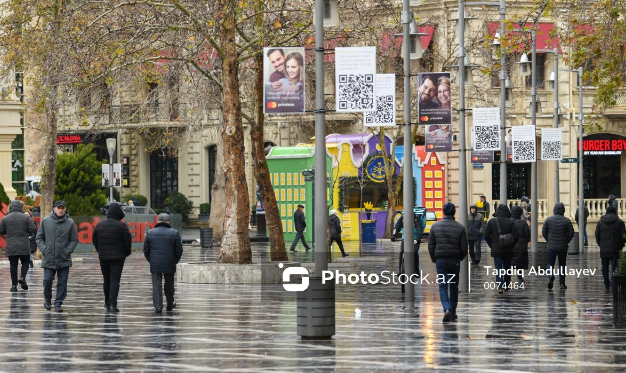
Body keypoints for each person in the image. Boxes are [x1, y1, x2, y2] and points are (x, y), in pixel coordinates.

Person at [428, 202, 468, 322]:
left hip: (441, 260)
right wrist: (460, 257)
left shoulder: (435, 227)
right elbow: (464, 248)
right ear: (454, 212)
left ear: (443, 211)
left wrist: (434, 258)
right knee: (454, 286)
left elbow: (431, 245)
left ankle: (447, 309)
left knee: (443, 286)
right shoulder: (460, 228)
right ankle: (453, 312)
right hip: (454, 260)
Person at [36, 200, 78, 312]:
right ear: (54, 208)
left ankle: (58, 303)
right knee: (47, 280)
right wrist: (45, 250)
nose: (60, 210)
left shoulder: (70, 222)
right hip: (49, 257)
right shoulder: (46, 221)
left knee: (62, 282)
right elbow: (39, 238)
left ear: (65, 209)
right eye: (58, 207)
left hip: (64, 258)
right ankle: (47, 299)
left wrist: (67, 251)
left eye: (62, 208)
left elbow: (74, 240)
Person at [93, 203, 132, 313]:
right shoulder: (122, 226)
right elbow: (127, 241)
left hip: (103, 257)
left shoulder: (99, 225)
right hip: (118, 257)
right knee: (115, 280)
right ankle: (113, 305)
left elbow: (95, 240)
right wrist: (126, 253)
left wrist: (100, 250)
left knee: (107, 280)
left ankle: (107, 302)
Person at [143, 213, 183, 313]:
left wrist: (151, 260)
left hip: (155, 263)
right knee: (169, 284)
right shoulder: (174, 233)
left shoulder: (150, 232)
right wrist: (174, 261)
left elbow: (146, 250)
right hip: (169, 262)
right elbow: (179, 250)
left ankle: (158, 307)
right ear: (168, 222)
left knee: (156, 285)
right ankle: (170, 303)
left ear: (158, 221)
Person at [0, 200, 37, 292]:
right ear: (21, 208)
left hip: (11, 245)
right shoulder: (26, 218)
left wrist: (8, 233)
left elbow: (1, 230)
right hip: (24, 244)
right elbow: (33, 228)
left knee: (13, 265)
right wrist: (26, 232)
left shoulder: (5, 218)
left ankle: (13, 286)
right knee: (25, 262)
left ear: (11, 207)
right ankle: (22, 277)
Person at [485, 204, 519, 293]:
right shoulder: (510, 222)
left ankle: (500, 285)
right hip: (508, 248)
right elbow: (516, 236)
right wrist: (512, 245)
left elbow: (486, 235)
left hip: (496, 248)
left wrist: (491, 245)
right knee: (507, 267)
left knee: (498, 267)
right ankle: (506, 284)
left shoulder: (492, 221)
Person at [542, 202, 575, 290]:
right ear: (563, 210)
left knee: (550, 263)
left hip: (551, 246)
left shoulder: (548, 220)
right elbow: (571, 233)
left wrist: (549, 240)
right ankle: (562, 284)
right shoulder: (567, 220)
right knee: (562, 265)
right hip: (563, 247)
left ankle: (550, 276)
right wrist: (566, 240)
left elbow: (544, 232)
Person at [595, 206, 625, 290]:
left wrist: (600, 244)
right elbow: (623, 237)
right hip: (615, 249)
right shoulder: (620, 223)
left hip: (604, 249)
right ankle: (613, 284)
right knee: (614, 268)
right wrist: (621, 246)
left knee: (604, 267)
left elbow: (597, 235)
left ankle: (606, 283)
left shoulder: (600, 222)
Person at [510, 205, 531, 283]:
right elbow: (527, 234)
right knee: (520, 262)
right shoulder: (523, 222)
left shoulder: (508, 221)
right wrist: (526, 242)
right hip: (521, 245)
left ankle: (507, 278)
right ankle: (520, 278)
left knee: (509, 262)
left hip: (510, 245)